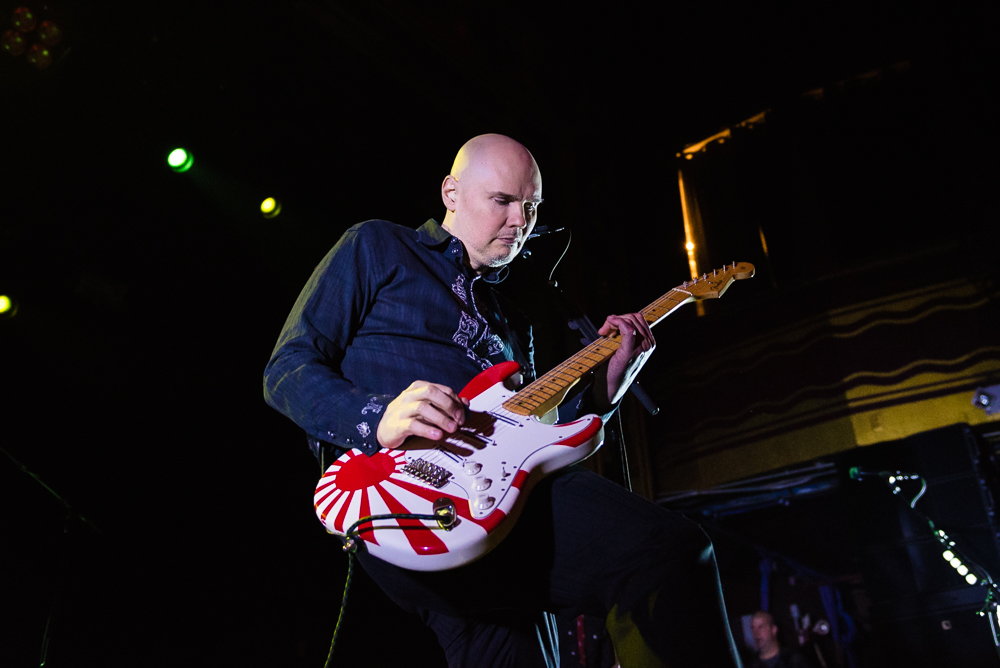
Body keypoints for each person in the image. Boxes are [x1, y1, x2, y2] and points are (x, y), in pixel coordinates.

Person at [263, 134, 742, 667]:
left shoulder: (512, 318)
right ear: (451, 193)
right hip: (401, 493)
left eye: (532, 207)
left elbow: (537, 437)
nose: (521, 221)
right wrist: (378, 416)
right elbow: (287, 369)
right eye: (503, 201)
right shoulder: (378, 246)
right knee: (664, 551)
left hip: (493, 505)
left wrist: (611, 383)